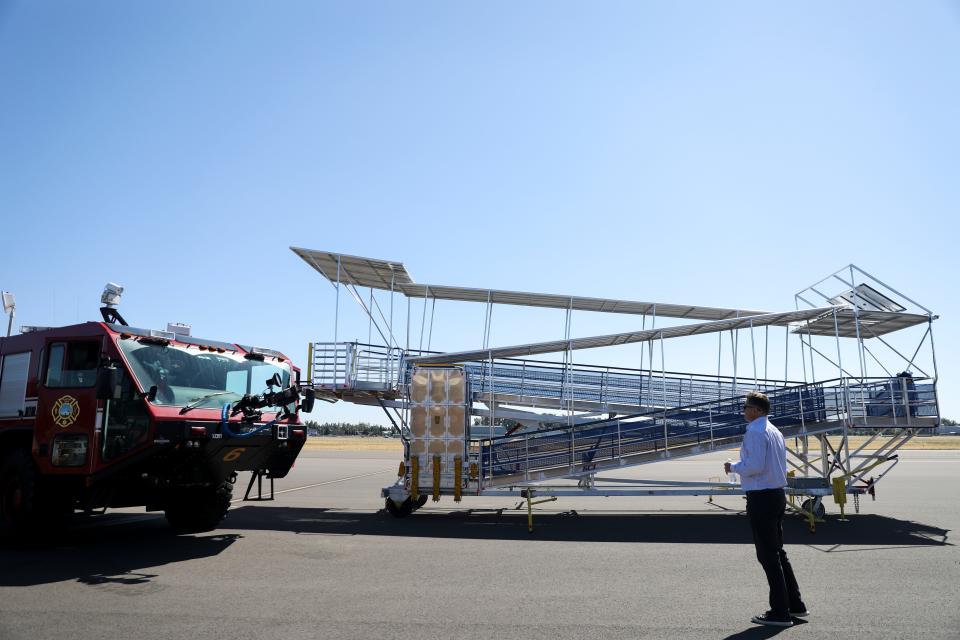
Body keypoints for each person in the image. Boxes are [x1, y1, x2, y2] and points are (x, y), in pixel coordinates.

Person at [724, 391, 808, 627]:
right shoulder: (775, 430)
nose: (743, 410)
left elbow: (755, 466)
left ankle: (780, 612)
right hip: (776, 494)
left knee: (768, 555)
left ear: (757, 410)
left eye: (745, 406)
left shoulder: (755, 431)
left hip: (762, 496)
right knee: (778, 552)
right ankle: (795, 604)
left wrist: (733, 466)